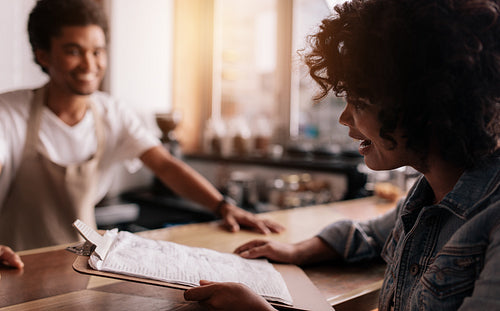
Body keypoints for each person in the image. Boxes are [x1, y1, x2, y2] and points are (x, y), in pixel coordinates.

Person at [184, 0, 500, 309]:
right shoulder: (428, 193)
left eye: (359, 101)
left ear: (425, 106)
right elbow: (370, 235)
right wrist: (297, 252)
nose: (344, 117)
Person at [0, 0, 284, 253]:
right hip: (16, 263)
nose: (89, 64)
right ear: (43, 55)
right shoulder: (10, 112)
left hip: (83, 265)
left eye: (97, 51)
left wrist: (224, 207)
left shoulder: (113, 113)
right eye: (73, 51)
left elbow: (165, 165)